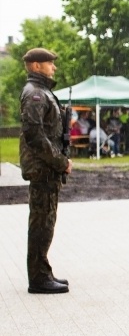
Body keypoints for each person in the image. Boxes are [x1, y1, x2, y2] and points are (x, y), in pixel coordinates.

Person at [18, 48, 73, 294]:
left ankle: (43, 271)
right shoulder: (36, 94)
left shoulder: (42, 92)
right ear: (37, 66)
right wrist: (60, 162)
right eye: (50, 63)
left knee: (46, 221)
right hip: (43, 168)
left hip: (46, 169)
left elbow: (47, 129)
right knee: (41, 222)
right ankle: (38, 278)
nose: (54, 67)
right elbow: (35, 135)